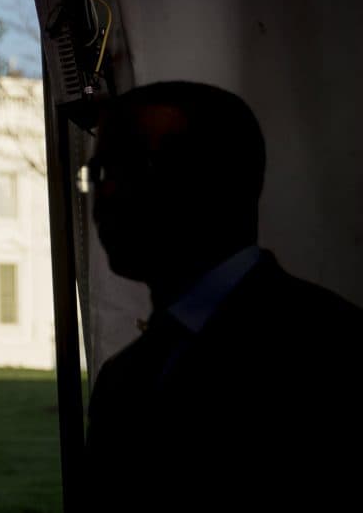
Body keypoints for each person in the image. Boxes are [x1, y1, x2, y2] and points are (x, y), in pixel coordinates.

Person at [83, 81, 362, 511]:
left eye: (132, 169)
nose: (105, 195)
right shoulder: (119, 378)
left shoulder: (334, 351)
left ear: (221, 179)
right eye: (98, 174)